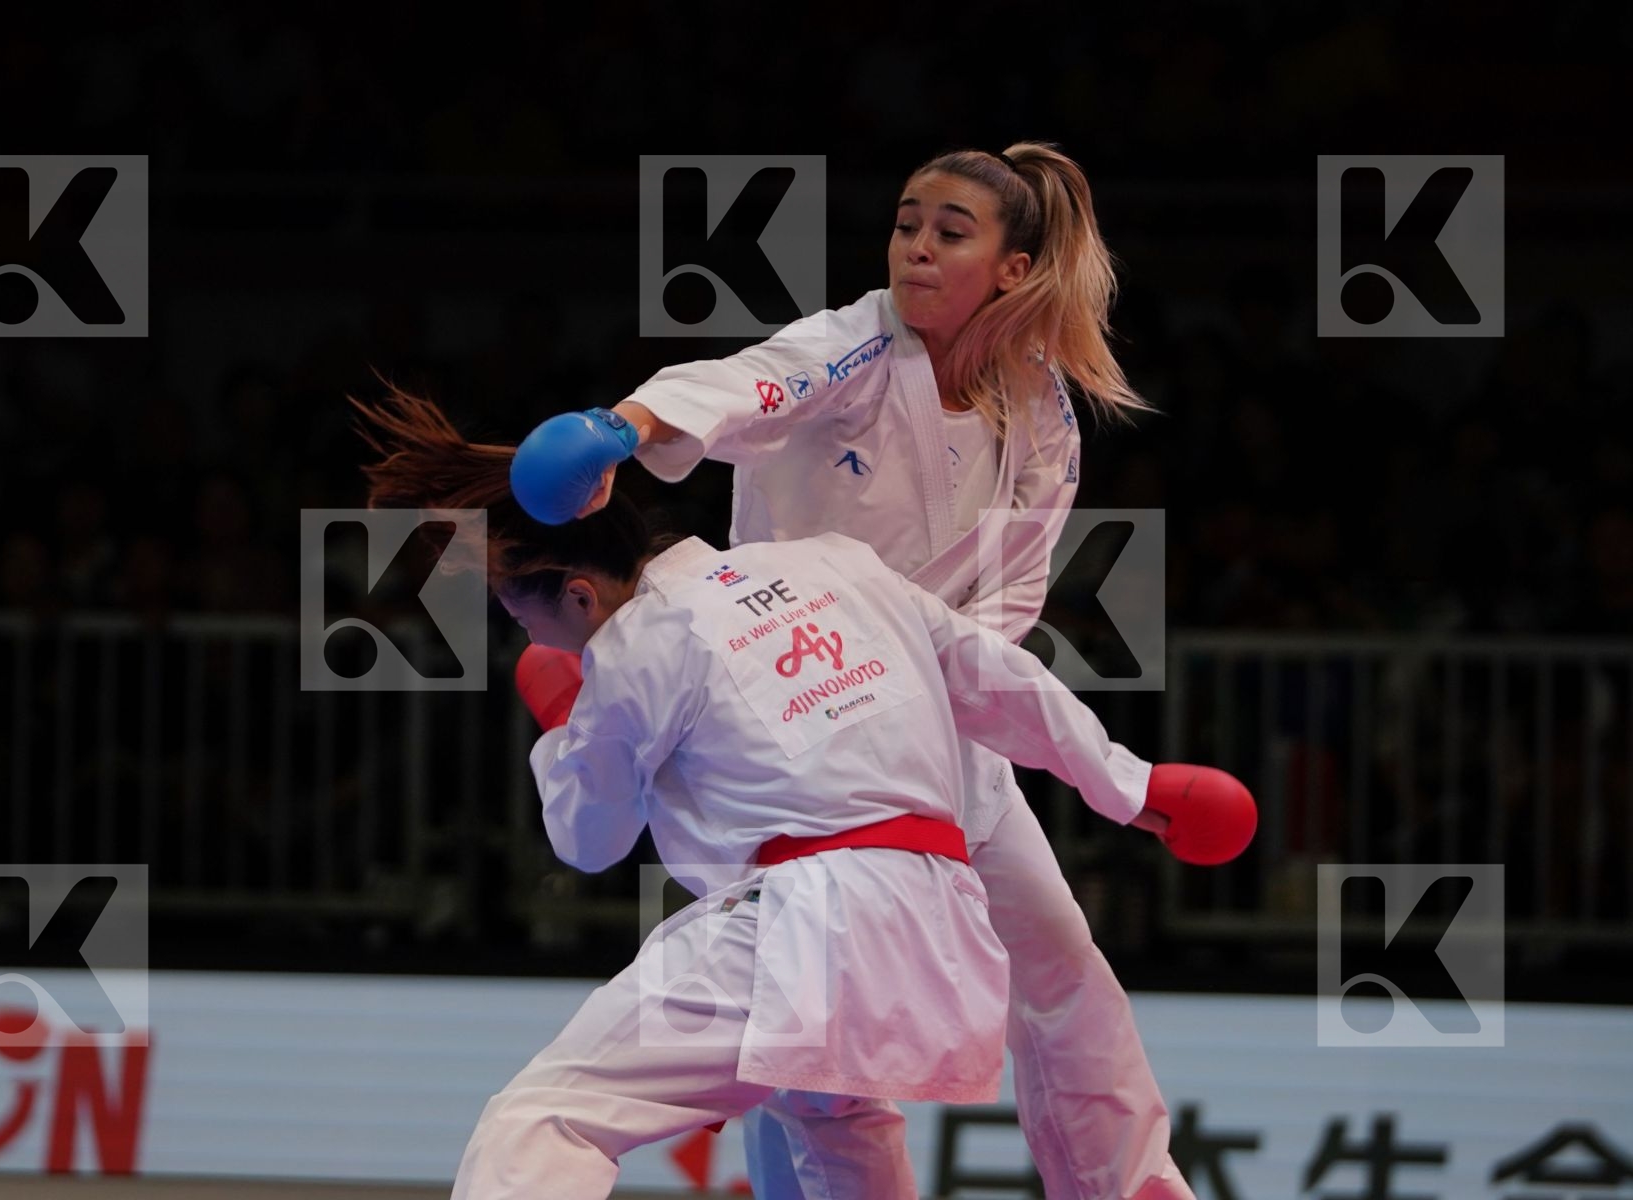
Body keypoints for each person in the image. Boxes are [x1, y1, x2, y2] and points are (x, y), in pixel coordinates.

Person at [511, 142, 1206, 1199]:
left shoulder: (1046, 411)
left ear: (1013, 269)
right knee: (807, 1043)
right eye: (906, 223)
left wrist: (965, 710)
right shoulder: (855, 349)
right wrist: (625, 428)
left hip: (933, 716)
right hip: (786, 715)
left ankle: (1130, 1191)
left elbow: (1011, 600)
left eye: (949, 232)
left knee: (1064, 968)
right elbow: (747, 383)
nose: (916, 249)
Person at [353, 390, 1252, 1200]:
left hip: (803, 927)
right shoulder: (836, 564)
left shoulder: (630, 649)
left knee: (547, 1117)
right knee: (830, 1121)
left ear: (580, 595)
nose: (529, 634)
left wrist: (562, 721)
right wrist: (1132, 785)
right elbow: (995, 678)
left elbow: (587, 842)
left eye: (523, 617)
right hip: (939, 921)